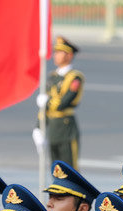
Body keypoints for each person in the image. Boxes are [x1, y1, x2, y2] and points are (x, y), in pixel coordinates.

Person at [34, 36, 84, 167]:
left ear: (69, 55)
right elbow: (44, 108)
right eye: (55, 52)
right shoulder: (52, 77)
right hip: (52, 128)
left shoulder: (75, 77)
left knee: (70, 170)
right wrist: (38, 127)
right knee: (56, 170)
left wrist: (47, 101)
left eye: (59, 52)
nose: (55, 55)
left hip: (66, 127)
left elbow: (64, 102)